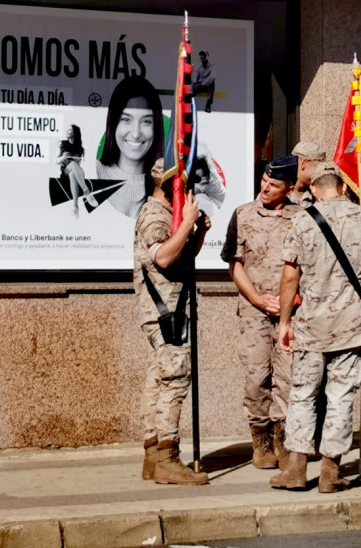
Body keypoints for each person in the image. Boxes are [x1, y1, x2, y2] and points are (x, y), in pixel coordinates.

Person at [270, 163, 361, 492]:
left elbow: (289, 275)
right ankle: (330, 472)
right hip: (352, 325)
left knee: (303, 394)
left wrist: (284, 321)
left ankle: (296, 468)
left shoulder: (302, 220)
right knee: (340, 397)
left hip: (311, 325)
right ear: (342, 187)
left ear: (313, 190)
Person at [221, 155, 302, 469]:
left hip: (290, 312)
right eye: (264, 182)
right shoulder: (243, 215)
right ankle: (261, 439)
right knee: (257, 377)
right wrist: (255, 297)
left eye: (274, 185)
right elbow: (234, 263)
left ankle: (283, 439)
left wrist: (293, 301)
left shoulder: (303, 216)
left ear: (290, 188)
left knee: (288, 378)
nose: (265, 189)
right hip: (254, 311)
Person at [135, 158, 210, 486]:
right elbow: (163, 256)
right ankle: (167, 456)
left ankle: (153, 454)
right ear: (171, 186)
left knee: (160, 378)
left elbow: (181, 256)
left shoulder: (166, 212)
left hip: (171, 308)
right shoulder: (154, 214)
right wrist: (186, 223)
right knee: (176, 379)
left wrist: (198, 232)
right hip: (164, 310)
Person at [98, 76, 165, 218]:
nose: (135, 134)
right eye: (126, 119)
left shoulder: (165, 183)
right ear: (113, 122)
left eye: (146, 121)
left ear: (156, 126)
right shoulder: (93, 173)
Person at [56, 125, 99, 217]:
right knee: (73, 166)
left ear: (77, 136)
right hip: (65, 171)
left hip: (73, 172)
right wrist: (62, 158)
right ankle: (86, 191)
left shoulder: (80, 149)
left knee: (73, 174)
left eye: (72, 137)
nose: (70, 139)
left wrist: (75, 161)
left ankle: (75, 207)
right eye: (69, 137)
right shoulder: (62, 145)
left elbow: (78, 167)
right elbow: (55, 161)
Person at [290, 141, 327, 208]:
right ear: (303, 164)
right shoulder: (279, 191)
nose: (322, 172)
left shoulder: (317, 194)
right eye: (318, 167)